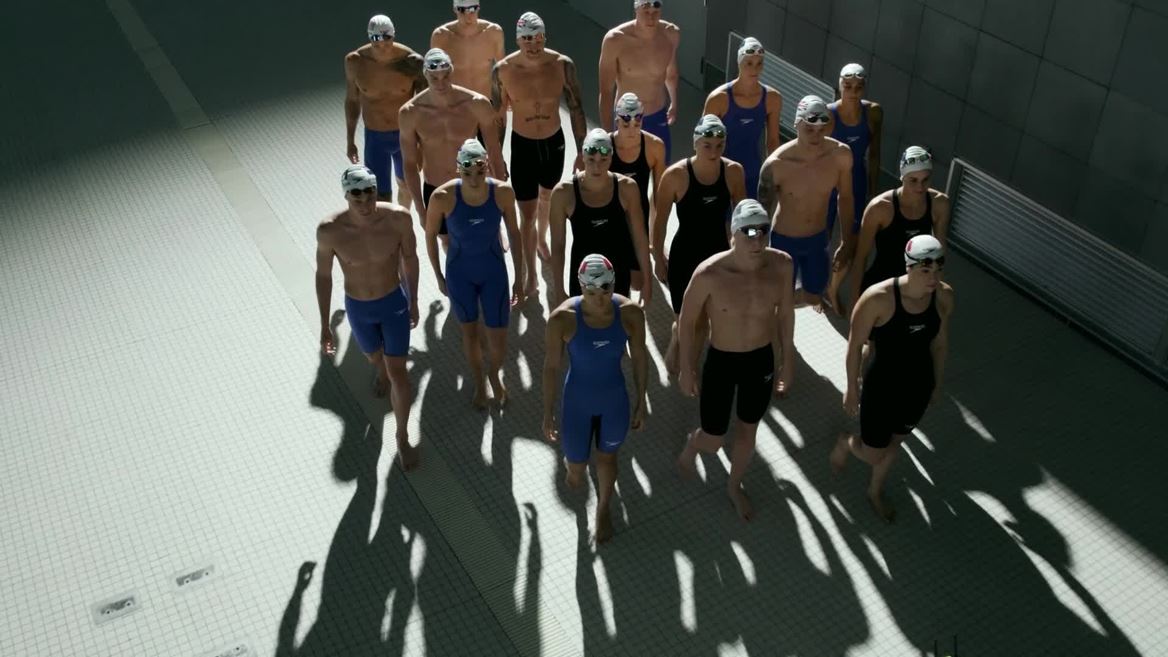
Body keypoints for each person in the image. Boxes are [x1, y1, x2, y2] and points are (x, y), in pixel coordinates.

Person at [676, 200, 794, 521]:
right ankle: (693, 444)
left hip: (760, 360)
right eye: (748, 233)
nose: (757, 241)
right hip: (722, 362)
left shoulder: (781, 265)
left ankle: (734, 485)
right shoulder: (710, 274)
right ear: (733, 234)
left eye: (763, 232)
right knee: (713, 440)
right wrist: (686, 368)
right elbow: (686, 322)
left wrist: (788, 362)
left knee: (748, 430)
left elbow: (785, 315)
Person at [831, 235, 954, 522]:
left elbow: (939, 343)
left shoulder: (944, 296)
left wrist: (936, 383)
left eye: (938, 269)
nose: (933, 277)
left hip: (918, 385)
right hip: (882, 386)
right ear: (909, 267)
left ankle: (874, 491)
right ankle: (846, 443)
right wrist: (851, 388)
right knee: (874, 452)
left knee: (895, 443)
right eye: (926, 270)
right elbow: (854, 345)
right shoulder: (878, 299)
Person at [316, 165, 421, 470]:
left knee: (398, 373)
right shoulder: (330, 230)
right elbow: (324, 277)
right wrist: (325, 326)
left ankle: (402, 438)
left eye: (369, 193)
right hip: (359, 309)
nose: (364, 202)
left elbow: (411, 259)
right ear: (347, 195)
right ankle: (381, 370)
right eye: (356, 195)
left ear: (376, 190)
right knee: (376, 359)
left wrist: (413, 300)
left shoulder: (398, 218)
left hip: (393, 304)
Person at [542, 254, 649, 544]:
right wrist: (547, 411)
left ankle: (603, 510)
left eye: (606, 290)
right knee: (576, 468)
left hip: (613, 399)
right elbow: (551, 367)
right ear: (580, 288)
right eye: (591, 292)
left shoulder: (630, 313)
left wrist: (642, 399)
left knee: (607, 458)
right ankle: (574, 467)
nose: (600, 299)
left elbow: (639, 357)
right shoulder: (562, 319)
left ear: (613, 285)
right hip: (577, 401)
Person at [491, 12, 589, 297]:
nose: (532, 45)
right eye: (526, 39)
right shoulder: (503, 70)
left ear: (544, 37)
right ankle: (531, 274)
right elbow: (498, 116)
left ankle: (541, 238)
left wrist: (581, 150)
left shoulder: (562, 65)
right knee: (526, 212)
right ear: (517, 39)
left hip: (553, 143)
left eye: (537, 38)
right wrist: (497, 158)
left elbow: (576, 107)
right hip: (522, 145)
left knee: (548, 196)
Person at [424, 140, 524, 408]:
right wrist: (438, 275)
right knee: (469, 333)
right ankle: (480, 383)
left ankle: (494, 374)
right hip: (460, 273)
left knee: (499, 337)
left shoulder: (502, 193)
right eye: (467, 172)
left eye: (480, 171)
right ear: (458, 169)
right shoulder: (442, 197)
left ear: (487, 166)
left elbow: (514, 233)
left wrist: (520, 277)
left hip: (494, 272)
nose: (474, 178)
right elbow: (430, 235)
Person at [652, 115, 747, 375]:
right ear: (696, 143)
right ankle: (677, 337)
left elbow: (742, 218)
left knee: (704, 321)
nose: (714, 151)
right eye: (708, 144)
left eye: (719, 144)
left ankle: (689, 369)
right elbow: (659, 223)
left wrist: (741, 256)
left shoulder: (733, 172)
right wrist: (658, 258)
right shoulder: (675, 176)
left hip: (717, 254)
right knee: (685, 319)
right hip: (685, 255)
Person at [758, 95, 853, 310]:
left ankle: (795, 300)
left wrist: (846, 241)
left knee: (814, 297)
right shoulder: (777, 165)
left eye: (822, 129)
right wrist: (759, 251)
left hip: (817, 240)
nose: (816, 136)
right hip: (784, 241)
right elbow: (762, 212)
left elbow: (846, 198)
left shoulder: (840, 156)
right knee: (778, 304)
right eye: (809, 129)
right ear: (796, 124)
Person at [399, 48, 506, 236]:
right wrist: (420, 209)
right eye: (435, 78)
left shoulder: (476, 103)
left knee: (483, 239)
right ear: (426, 75)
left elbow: (494, 151)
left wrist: (500, 194)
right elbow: (409, 164)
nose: (441, 83)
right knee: (447, 242)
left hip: (474, 184)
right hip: (436, 188)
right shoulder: (411, 113)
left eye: (445, 76)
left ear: (452, 71)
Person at [549, 129, 652, 306]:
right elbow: (558, 245)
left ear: (611, 158)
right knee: (583, 331)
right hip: (582, 278)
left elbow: (640, 237)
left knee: (618, 329)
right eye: (591, 160)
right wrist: (558, 290)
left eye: (603, 160)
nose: (597, 167)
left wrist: (648, 282)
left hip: (618, 274)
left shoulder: (627, 188)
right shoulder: (563, 193)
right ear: (582, 157)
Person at [848, 146, 950, 301]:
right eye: (913, 180)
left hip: (915, 288)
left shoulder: (939, 204)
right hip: (880, 286)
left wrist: (932, 290)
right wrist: (854, 304)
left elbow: (940, 254)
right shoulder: (880, 208)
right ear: (902, 177)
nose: (920, 187)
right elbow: (860, 259)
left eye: (925, 180)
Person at [344, 15, 427, 205]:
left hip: (405, 135)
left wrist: (422, 145)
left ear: (394, 35)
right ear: (369, 37)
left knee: (407, 186)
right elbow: (352, 100)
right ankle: (388, 232)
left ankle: (403, 222)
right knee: (380, 196)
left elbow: (421, 107)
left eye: (386, 38)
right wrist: (350, 140)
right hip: (375, 138)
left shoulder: (411, 62)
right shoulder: (355, 62)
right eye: (376, 40)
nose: (382, 45)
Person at [825, 63, 884, 311]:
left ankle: (833, 289)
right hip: (828, 182)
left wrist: (872, 192)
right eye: (848, 86)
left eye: (858, 87)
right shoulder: (828, 115)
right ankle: (814, 284)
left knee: (853, 242)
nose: (853, 92)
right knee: (821, 237)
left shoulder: (873, 113)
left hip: (856, 180)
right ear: (839, 86)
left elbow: (874, 155)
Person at [598, 0, 681, 160]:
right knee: (626, 176)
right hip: (627, 119)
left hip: (657, 115)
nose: (651, 18)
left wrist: (674, 103)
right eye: (646, 12)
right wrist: (607, 133)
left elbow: (670, 72)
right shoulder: (615, 40)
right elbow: (606, 91)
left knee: (662, 173)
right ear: (636, 9)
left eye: (655, 12)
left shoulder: (670, 34)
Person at [701, 37, 781, 200]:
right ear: (739, 63)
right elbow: (702, 140)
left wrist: (773, 175)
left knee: (747, 223)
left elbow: (772, 141)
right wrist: (702, 176)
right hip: (721, 171)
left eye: (759, 63)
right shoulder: (719, 99)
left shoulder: (772, 98)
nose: (754, 69)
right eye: (749, 63)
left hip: (751, 172)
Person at [608, 93, 667, 296]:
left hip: (637, 221)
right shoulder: (605, 147)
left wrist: (658, 252)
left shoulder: (654, 146)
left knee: (637, 284)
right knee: (613, 284)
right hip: (610, 220)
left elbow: (660, 200)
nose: (632, 131)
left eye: (637, 124)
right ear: (617, 122)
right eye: (626, 125)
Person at [431, 0, 505, 99]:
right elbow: (432, 75)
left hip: (484, 104)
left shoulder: (493, 33)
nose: (468, 16)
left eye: (472, 9)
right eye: (462, 10)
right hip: (454, 105)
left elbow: (503, 73)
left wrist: (503, 105)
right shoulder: (441, 36)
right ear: (455, 10)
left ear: (478, 8)